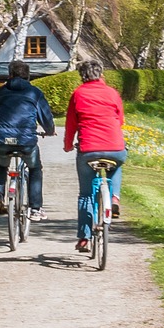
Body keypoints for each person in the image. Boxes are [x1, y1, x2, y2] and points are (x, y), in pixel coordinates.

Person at [63, 59, 126, 252]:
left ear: (82, 75)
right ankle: (114, 198)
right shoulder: (113, 93)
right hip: (114, 147)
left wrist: (67, 146)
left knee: (85, 194)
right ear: (100, 74)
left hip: (88, 149)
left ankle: (84, 238)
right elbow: (121, 120)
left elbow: (71, 124)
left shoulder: (78, 94)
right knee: (117, 164)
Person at [0, 59, 56, 222]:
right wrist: (50, 131)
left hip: (3, 139)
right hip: (26, 141)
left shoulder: (0, 93)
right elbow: (45, 117)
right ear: (28, 76)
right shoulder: (35, 93)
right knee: (35, 168)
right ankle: (35, 208)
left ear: (10, 75)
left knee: (1, 165)